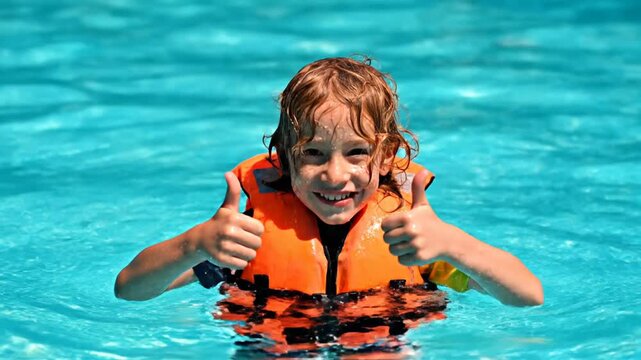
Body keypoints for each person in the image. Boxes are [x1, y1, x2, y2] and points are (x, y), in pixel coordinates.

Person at [115, 56, 543, 308]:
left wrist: (453, 245)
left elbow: (526, 295)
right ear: (283, 158)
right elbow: (131, 290)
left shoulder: (413, 237)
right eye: (312, 153)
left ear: (386, 155)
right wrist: (196, 244)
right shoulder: (250, 235)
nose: (335, 175)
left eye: (356, 152)